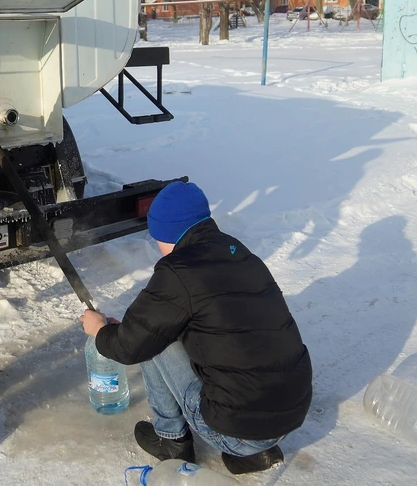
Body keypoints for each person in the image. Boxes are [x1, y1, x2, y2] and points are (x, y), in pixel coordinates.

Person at [80, 181, 312, 474]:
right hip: (290, 415)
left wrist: (100, 331)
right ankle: (253, 453)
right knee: (177, 327)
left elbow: (131, 345)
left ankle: (172, 441)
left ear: (168, 232)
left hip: (238, 431)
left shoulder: (178, 270)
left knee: (154, 341)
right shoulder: (237, 251)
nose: (157, 247)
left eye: (157, 239)